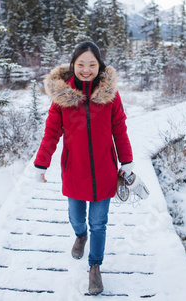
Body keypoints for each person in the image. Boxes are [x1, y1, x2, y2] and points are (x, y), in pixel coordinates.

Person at [34, 41, 134, 295]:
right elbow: (51, 132)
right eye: (81, 64)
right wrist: (41, 163)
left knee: (98, 223)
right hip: (74, 170)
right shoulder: (63, 97)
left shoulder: (110, 95)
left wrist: (127, 161)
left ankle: (95, 266)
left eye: (92, 64)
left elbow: (119, 129)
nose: (86, 69)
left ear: (99, 66)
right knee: (77, 219)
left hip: (104, 172)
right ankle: (80, 236)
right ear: (73, 65)